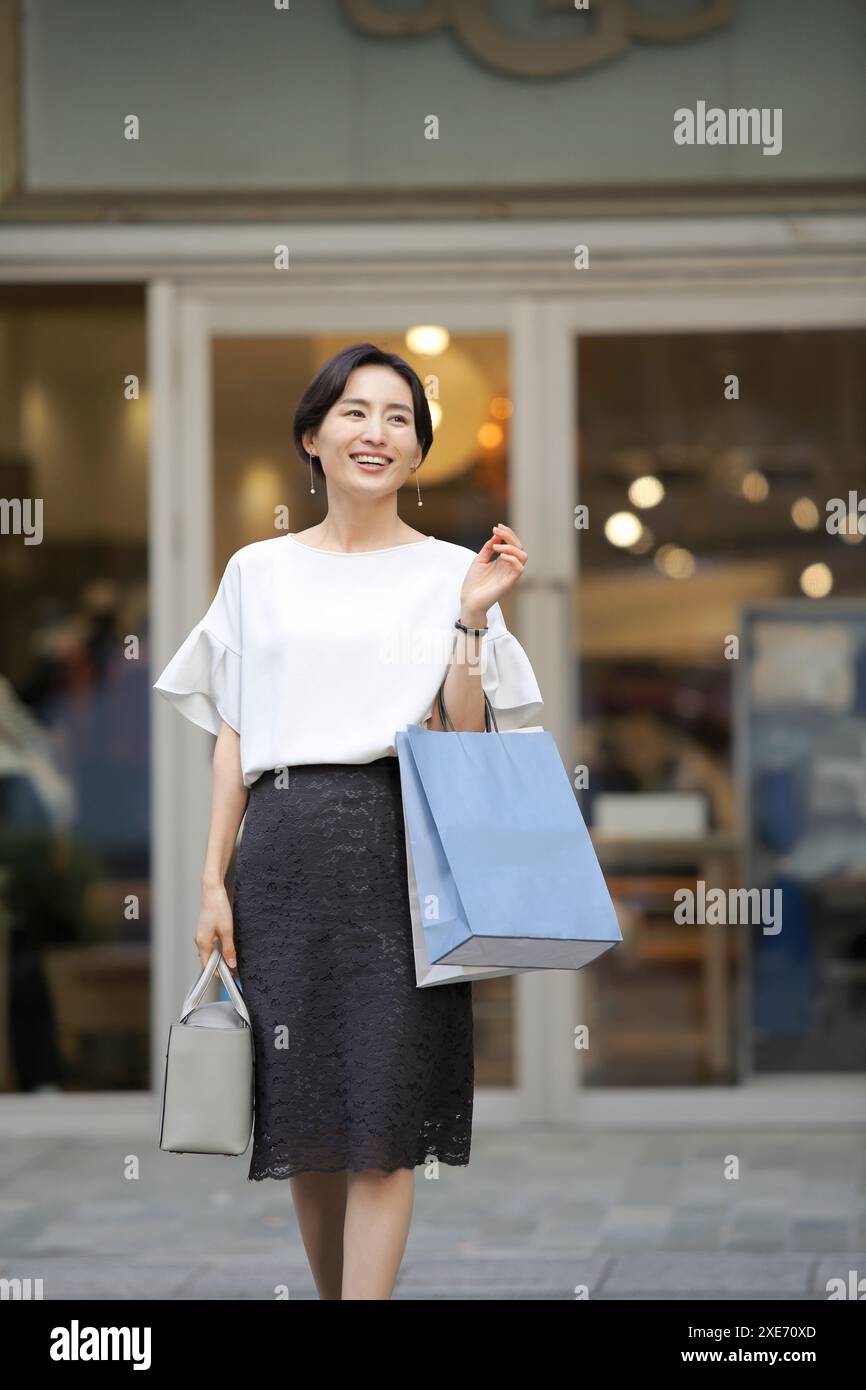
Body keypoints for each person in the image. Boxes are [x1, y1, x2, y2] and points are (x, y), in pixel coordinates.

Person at [153, 342, 544, 1299]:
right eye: (356, 413)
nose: (378, 432)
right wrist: (213, 879)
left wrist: (473, 622)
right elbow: (234, 734)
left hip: (402, 850)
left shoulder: (453, 571)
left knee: (384, 1115)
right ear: (313, 438)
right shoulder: (259, 570)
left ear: (418, 454)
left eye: (400, 418)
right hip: (281, 859)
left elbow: (461, 734)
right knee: (309, 1118)